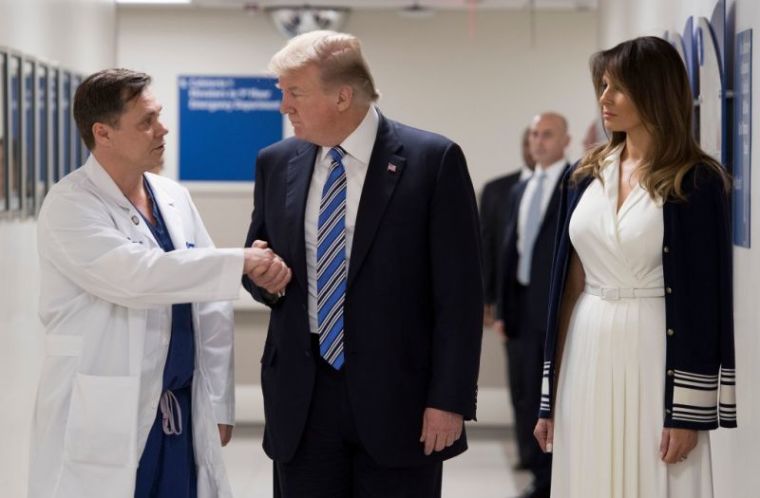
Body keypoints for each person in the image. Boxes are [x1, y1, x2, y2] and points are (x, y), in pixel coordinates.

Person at [243, 30, 483, 498]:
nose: (283, 107)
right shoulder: (276, 162)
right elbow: (261, 261)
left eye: (295, 92)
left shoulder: (432, 161)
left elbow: (460, 295)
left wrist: (448, 400)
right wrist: (263, 279)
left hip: (401, 402)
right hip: (303, 399)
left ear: (342, 96)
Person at [28, 68, 289, 498]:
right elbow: (137, 276)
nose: (161, 129)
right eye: (145, 121)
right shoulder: (70, 206)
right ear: (103, 133)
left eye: (159, 116)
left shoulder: (172, 196)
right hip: (108, 411)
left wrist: (219, 401)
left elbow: (210, 304)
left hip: (181, 410)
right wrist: (241, 261)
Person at [533, 36, 736, 498]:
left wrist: (687, 414)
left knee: (656, 478)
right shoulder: (584, 175)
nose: (604, 99)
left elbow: (706, 301)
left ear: (656, 92)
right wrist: (549, 397)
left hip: (654, 352)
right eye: (602, 86)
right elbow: (567, 287)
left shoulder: (696, 180)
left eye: (617, 88)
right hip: (587, 345)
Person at [496, 112, 571, 498]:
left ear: (566, 140)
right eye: (534, 135)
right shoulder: (521, 189)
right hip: (521, 307)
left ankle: (549, 480)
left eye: (547, 135)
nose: (538, 142)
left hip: (555, 308)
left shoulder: (576, 183)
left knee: (550, 396)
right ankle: (535, 471)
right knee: (524, 392)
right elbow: (509, 252)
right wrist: (502, 309)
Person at [480, 127, 535, 330]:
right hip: (510, 299)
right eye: (528, 142)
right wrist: (486, 295)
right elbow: (486, 244)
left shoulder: (571, 185)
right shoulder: (495, 190)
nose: (534, 148)